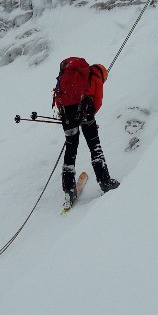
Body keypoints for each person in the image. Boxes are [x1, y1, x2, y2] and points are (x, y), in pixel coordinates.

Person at [52, 57, 120, 206]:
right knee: (95, 147)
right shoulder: (95, 78)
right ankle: (105, 182)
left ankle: (68, 190)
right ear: (102, 75)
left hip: (67, 114)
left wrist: (68, 116)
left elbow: (58, 98)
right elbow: (97, 102)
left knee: (70, 150)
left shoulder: (71, 75)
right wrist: (89, 119)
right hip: (86, 115)